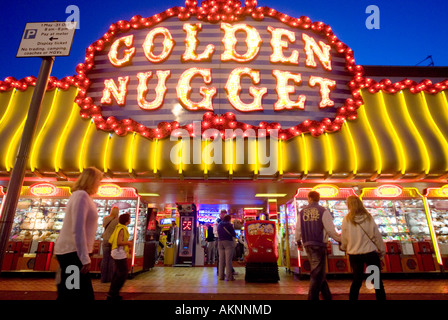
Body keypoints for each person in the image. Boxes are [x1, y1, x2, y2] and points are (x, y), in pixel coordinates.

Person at [54, 167, 103, 301]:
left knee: (72, 291)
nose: (99, 184)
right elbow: (78, 227)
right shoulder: (81, 196)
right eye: (99, 180)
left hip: (72, 253)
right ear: (91, 180)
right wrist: (84, 257)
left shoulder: (80, 196)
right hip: (73, 253)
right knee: (74, 293)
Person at [295, 191, 341, 300]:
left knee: (318, 271)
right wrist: (339, 239)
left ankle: (327, 296)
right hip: (319, 244)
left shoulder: (302, 212)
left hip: (307, 244)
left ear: (309, 198)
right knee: (317, 273)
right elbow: (330, 229)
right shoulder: (323, 211)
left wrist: (298, 242)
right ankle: (312, 298)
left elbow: (298, 229)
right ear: (318, 199)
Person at [341, 195, 386, 300]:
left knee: (357, 281)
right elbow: (376, 235)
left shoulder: (346, 219)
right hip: (370, 252)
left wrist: (344, 247)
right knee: (376, 280)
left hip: (354, 254)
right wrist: (382, 251)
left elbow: (344, 237)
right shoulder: (368, 217)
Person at [107, 213, 132, 301]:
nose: (130, 219)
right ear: (126, 220)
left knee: (117, 273)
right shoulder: (122, 228)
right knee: (123, 273)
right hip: (119, 252)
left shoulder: (119, 227)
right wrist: (128, 243)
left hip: (116, 252)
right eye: (129, 218)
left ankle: (113, 293)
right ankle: (113, 292)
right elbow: (119, 242)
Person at [101, 206, 119, 283]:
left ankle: (103, 278)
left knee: (105, 259)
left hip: (105, 239)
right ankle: (110, 278)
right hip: (112, 240)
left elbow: (104, 227)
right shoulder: (117, 220)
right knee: (111, 259)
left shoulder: (105, 218)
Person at [217, 214, 237, 281]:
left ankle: (221, 276)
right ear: (229, 219)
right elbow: (233, 234)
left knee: (221, 260)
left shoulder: (219, 224)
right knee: (228, 261)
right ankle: (229, 277)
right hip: (228, 242)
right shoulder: (229, 224)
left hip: (220, 242)